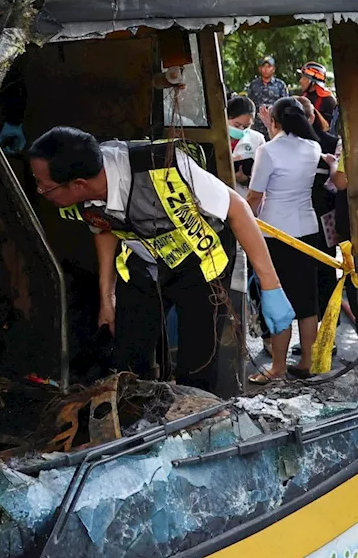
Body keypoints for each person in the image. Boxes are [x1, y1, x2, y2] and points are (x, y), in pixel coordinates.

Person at [27, 127, 295, 391]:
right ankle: (137, 413)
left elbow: (237, 208)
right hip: (144, 264)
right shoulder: (88, 185)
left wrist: (271, 286)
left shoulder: (163, 168)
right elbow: (103, 226)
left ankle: (195, 422)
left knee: (198, 363)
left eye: (44, 187)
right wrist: (107, 299)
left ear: (78, 185)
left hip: (200, 265)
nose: (40, 190)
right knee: (127, 358)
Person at [246, 97, 330, 381]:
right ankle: (308, 362)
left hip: (276, 233)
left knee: (277, 297)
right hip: (307, 231)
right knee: (307, 302)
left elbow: (255, 196)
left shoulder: (268, 151)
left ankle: (278, 367)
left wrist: (244, 224)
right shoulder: (313, 147)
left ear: (275, 122)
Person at [227, 95, 264, 197]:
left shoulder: (257, 139)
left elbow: (264, 176)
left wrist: (245, 180)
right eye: (237, 125)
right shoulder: (214, 137)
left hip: (244, 196)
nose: (241, 130)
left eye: (246, 126)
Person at [245, 57, 288, 137]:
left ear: (273, 69)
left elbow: (285, 105)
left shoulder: (280, 85)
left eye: (269, 66)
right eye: (263, 67)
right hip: (257, 126)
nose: (266, 69)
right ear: (260, 69)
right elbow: (249, 104)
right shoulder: (253, 85)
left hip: (275, 125)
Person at [298, 62, 339, 132]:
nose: (300, 81)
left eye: (304, 78)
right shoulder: (304, 96)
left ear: (312, 82)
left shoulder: (329, 100)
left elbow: (328, 128)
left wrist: (312, 110)